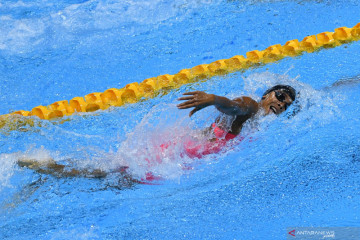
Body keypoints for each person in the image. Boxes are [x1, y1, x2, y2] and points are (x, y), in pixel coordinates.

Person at [175, 85, 296, 158]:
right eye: (280, 96)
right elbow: (234, 106)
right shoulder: (252, 106)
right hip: (185, 150)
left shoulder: (256, 121)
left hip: (191, 151)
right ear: (266, 95)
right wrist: (213, 99)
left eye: (286, 106)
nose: (281, 104)